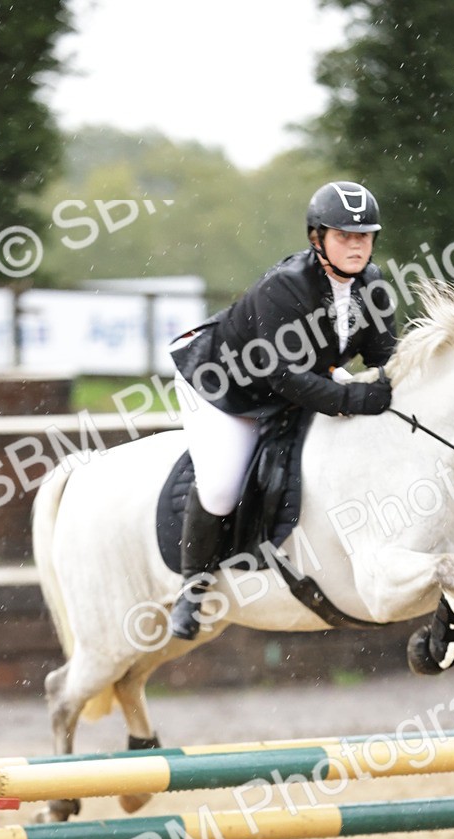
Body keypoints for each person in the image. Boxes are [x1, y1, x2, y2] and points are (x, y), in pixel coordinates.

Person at [168, 180, 397, 640]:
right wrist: (356, 399)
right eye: (344, 235)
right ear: (318, 239)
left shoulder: (373, 287)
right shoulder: (285, 287)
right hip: (225, 386)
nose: (356, 245)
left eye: (364, 236)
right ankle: (192, 586)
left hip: (296, 381)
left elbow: (385, 358)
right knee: (219, 488)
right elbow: (285, 378)